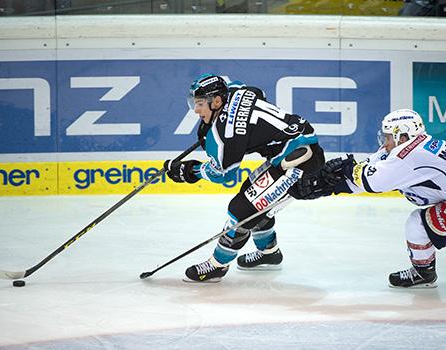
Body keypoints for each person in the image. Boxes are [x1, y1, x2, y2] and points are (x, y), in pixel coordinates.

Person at [164, 74, 325, 282]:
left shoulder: (226, 135)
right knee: (253, 194)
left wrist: (189, 172)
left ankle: (217, 266)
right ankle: (269, 252)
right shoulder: (239, 91)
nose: (196, 110)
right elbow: (258, 93)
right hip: (295, 149)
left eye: (200, 104)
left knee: (241, 210)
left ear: (217, 101)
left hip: (299, 162)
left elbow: (223, 174)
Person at [290, 109, 446, 288]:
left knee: (418, 223)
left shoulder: (411, 156)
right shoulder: (412, 147)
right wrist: (328, 186)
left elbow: (373, 181)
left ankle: (423, 273)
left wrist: (344, 171)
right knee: (419, 222)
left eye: (387, 137)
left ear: (402, 137)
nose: (385, 143)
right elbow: (370, 171)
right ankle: (423, 272)